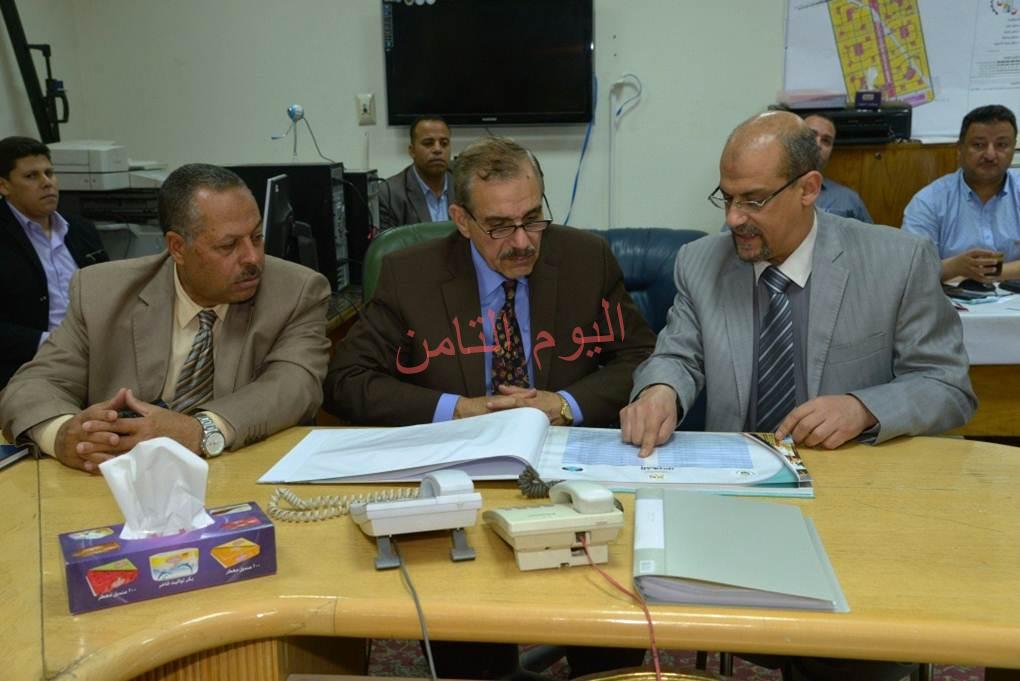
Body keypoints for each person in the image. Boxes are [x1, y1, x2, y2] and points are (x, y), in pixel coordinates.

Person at [621, 110, 976, 681]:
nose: (734, 218)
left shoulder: (898, 260)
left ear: (809, 189)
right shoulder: (700, 262)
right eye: (726, 198)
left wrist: (863, 407)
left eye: (754, 200)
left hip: (857, 514)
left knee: (852, 660)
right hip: (735, 511)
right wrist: (661, 390)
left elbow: (947, 385)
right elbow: (677, 355)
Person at [326, 136, 653, 678]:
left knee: (611, 635)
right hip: (463, 480)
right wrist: (457, 409)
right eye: (499, 226)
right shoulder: (409, 274)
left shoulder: (586, 259)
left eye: (533, 219)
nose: (522, 241)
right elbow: (346, 380)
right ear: (461, 219)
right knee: (471, 653)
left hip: (576, 474)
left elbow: (640, 356)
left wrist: (563, 403)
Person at [0, 163, 331, 473]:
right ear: (177, 248)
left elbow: (294, 385)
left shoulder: (297, 291)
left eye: (256, 237)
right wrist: (64, 435)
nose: (253, 258)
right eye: (228, 245)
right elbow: (32, 386)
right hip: (118, 485)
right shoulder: (101, 292)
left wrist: (199, 430)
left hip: (242, 475)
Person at [0, 135, 108, 389]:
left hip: (94, 357)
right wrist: (50, 343)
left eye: (49, 173)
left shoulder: (81, 230)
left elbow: (108, 291)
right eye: (31, 176)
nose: (46, 183)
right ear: (4, 186)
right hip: (26, 366)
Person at [902, 104, 1019, 284]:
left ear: (1013, 149)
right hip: (950, 301)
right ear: (960, 149)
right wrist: (955, 267)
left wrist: (987, 272)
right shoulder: (929, 201)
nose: (990, 155)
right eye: (978, 145)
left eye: (1001, 145)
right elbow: (909, 270)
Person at [378, 115, 457, 231]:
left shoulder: (465, 185)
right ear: (412, 151)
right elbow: (387, 242)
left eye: (444, 143)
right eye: (428, 143)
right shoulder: (389, 194)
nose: (438, 149)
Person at [802, 113, 873, 222]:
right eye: (811, 135)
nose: (818, 144)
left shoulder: (849, 200)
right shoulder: (775, 189)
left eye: (826, 141)